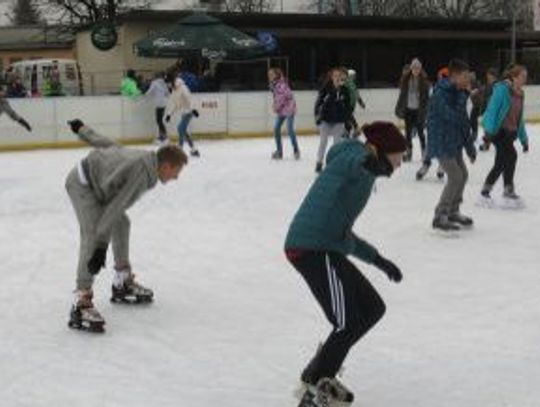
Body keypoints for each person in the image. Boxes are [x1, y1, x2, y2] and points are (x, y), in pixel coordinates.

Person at [285, 121, 405, 407]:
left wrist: (378, 260)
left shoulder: (366, 174)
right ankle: (314, 392)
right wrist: (366, 160)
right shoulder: (354, 160)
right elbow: (349, 162)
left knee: (373, 308)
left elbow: (343, 233)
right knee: (346, 322)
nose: (401, 163)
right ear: (380, 150)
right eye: (398, 155)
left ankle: (317, 373)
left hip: (328, 246)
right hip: (309, 247)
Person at [65, 119, 188, 333]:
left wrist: (83, 130)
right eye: (176, 171)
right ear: (166, 165)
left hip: (100, 183)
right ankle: (81, 300)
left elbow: (110, 146)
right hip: (83, 184)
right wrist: (101, 247)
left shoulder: (146, 158)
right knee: (93, 236)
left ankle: (122, 281)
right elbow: (115, 207)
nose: (176, 177)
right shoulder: (143, 174)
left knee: (122, 224)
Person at [427, 59, 476, 232]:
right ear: (454, 76)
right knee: (455, 176)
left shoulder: (458, 92)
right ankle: (440, 215)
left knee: (463, 174)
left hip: (454, 142)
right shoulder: (440, 93)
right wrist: (463, 97)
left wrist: (469, 147)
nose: (468, 80)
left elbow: (463, 123)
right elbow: (452, 116)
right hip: (441, 141)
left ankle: (453, 211)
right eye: (465, 77)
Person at [479, 64, 529, 207]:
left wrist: (524, 139)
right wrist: (488, 133)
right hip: (499, 132)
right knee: (511, 156)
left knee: (500, 162)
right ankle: (507, 190)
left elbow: (519, 119)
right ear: (514, 77)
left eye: (525, 76)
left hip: (510, 133)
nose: (524, 79)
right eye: (522, 76)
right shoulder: (502, 90)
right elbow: (492, 110)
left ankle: (485, 191)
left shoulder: (520, 93)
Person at [314, 68, 351, 173]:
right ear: (331, 77)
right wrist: (317, 116)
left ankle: (335, 163)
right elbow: (318, 103)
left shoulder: (345, 91)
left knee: (337, 143)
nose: (337, 78)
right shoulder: (326, 89)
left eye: (339, 76)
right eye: (335, 76)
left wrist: (347, 121)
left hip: (339, 120)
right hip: (326, 119)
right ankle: (319, 162)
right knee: (323, 141)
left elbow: (348, 108)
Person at [395, 58, 430, 162]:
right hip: (408, 110)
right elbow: (402, 95)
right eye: (414, 68)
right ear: (411, 68)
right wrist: (400, 107)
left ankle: (424, 152)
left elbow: (426, 98)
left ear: (420, 69)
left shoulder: (424, 81)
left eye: (418, 68)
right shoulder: (405, 79)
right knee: (408, 133)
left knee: (420, 132)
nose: (416, 70)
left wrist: (426, 110)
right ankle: (409, 152)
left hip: (419, 111)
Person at [268, 67, 300, 160]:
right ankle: (279, 151)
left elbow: (281, 98)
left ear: (276, 75)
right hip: (282, 109)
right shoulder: (274, 84)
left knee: (290, 130)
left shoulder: (281, 84)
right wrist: (277, 106)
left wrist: (275, 107)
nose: (270, 76)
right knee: (276, 128)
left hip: (289, 109)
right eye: (269, 74)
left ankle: (296, 150)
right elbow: (277, 97)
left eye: (272, 74)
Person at [165, 77, 200, 157]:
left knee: (180, 129)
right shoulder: (174, 91)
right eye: (167, 84)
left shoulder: (183, 88)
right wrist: (169, 114)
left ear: (172, 82)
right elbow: (175, 104)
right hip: (183, 112)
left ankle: (179, 151)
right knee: (183, 131)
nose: (167, 85)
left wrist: (193, 109)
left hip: (189, 111)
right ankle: (194, 150)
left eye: (168, 83)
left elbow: (189, 99)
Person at [145, 71, 170, 144]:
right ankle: (161, 136)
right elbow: (168, 93)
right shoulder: (164, 83)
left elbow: (150, 92)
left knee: (159, 120)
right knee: (160, 120)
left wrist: (145, 95)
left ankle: (164, 136)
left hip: (158, 104)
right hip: (164, 103)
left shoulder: (154, 83)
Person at [478, 68, 499, 152]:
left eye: (489, 76)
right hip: (488, 111)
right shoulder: (488, 85)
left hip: (494, 111)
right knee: (487, 129)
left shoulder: (497, 86)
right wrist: (482, 110)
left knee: (493, 129)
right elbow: (484, 99)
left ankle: (489, 143)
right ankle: (486, 144)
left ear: (493, 76)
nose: (488, 77)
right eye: (487, 76)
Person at [343, 68, 366, 138]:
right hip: (350, 103)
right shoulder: (350, 83)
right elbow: (356, 94)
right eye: (354, 76)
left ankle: (355, 129)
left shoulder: (348, 83)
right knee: (347, 117)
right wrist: (360, 102)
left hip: (348, 103)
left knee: (348, 116)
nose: (355, 77)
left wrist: (360, 101)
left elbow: (355, 94)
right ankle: (349, 130)